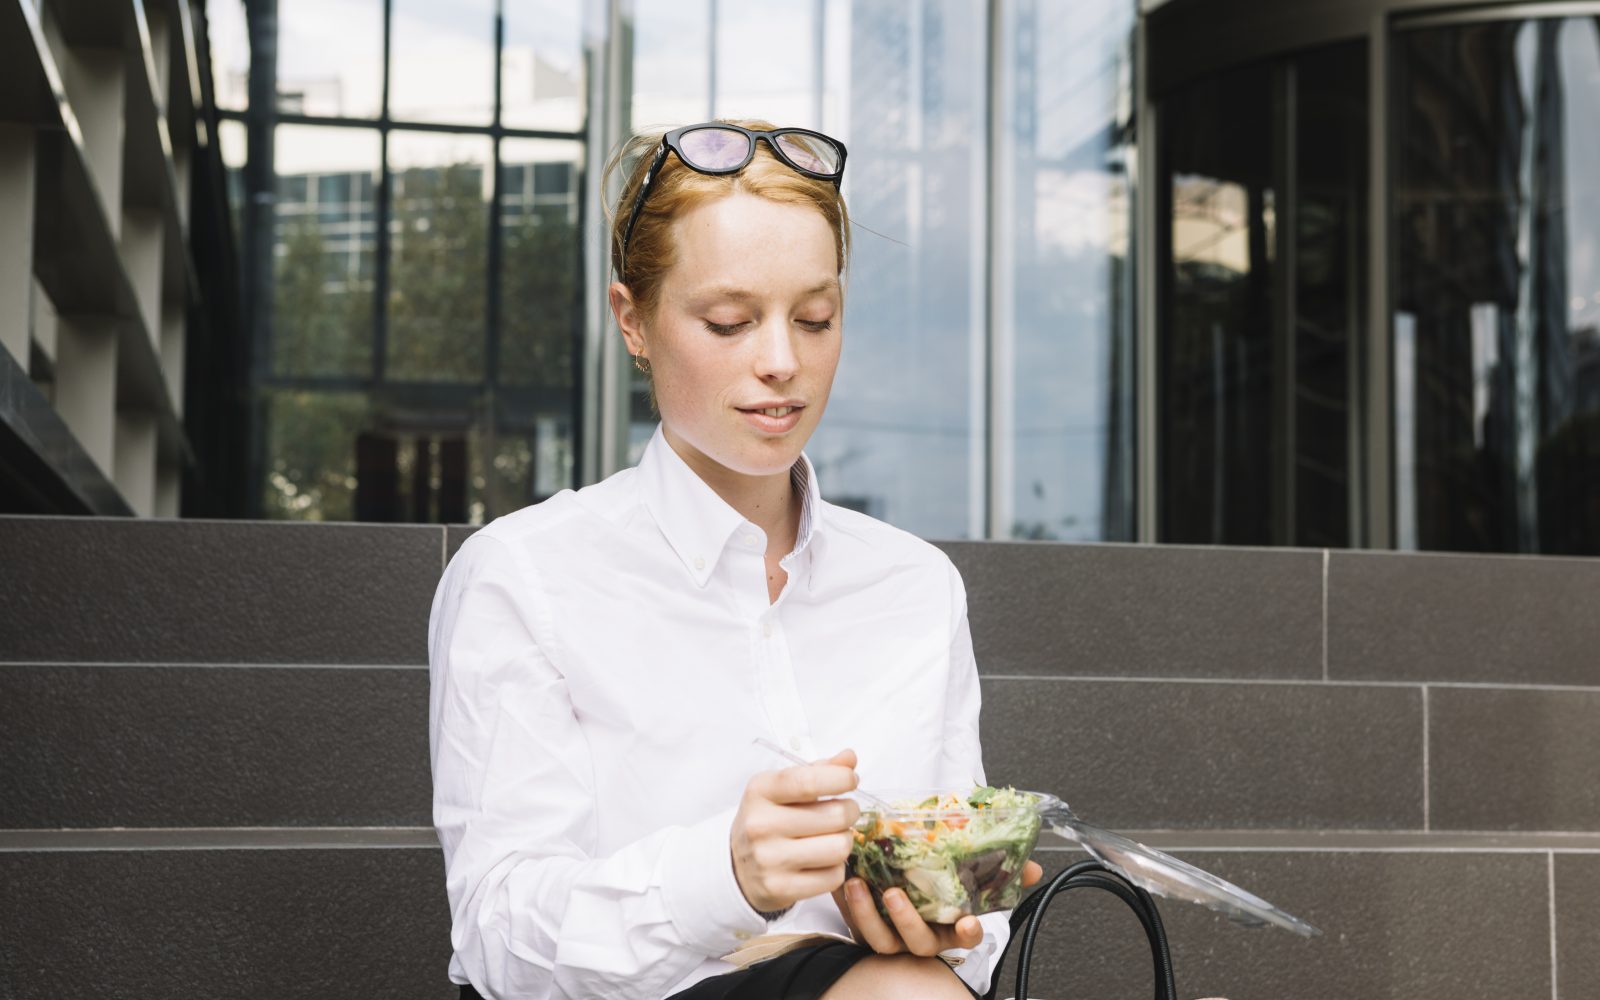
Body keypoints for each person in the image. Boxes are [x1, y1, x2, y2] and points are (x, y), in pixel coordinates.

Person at [428, 119, 1040, 1000]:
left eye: (816, 318)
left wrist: (945, 922)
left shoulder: (915, 586)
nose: (782, 362)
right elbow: (498, 936)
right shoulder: (526, 575)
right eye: (729, 322)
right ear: (632, 320)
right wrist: (724, 877)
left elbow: (970, 920)